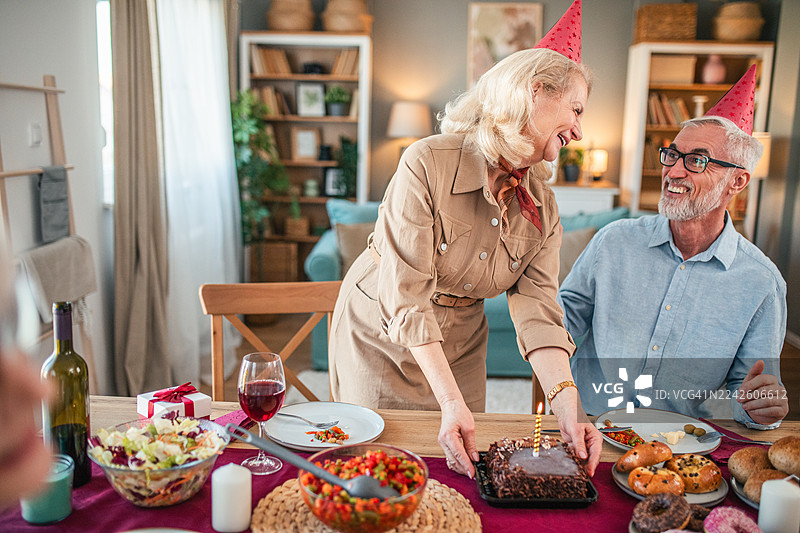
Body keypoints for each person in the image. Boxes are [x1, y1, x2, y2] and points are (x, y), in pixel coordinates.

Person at [330, 0, 603, 478]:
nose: (580, 129)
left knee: (464, 467)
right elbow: (406, 297)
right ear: (535, 92)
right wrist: (449, 401)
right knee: (373, 468)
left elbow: (538, 308)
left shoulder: (544, 206)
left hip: (462, 343)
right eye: (575, 109)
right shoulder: (426, 163)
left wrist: (568, 404)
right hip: (383, 335)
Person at [558, 65, 788, 429]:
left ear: (737, 181)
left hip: (676, 444)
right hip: (587, 424)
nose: (674, 171)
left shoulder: (762, 284)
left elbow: (749, 396)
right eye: (673, 155)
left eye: (697, 160)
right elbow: (561, 320)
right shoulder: (613, 241)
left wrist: (761, 408)